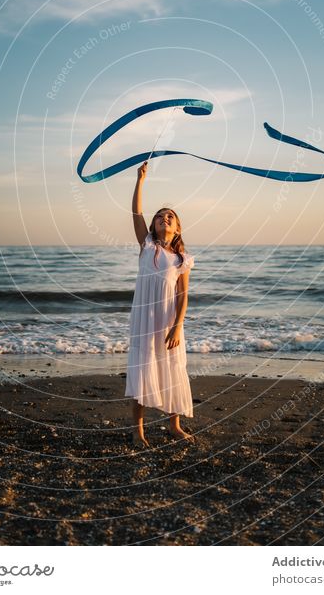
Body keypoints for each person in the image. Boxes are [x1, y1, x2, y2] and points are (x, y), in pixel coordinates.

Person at [125, 160, 196, 448]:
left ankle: (174, 425)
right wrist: (140, 180)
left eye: (170, 216)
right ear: (154, 226)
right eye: (160, 216)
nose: (164, 218)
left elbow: (183, 296)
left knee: (172, 369)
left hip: (168, 321)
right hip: (144, 320)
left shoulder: (182, 259)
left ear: (177, 228)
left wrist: (178, 327)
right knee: (143, 369)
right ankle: (138, 431)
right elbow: (136, 211)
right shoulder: (147, 246)